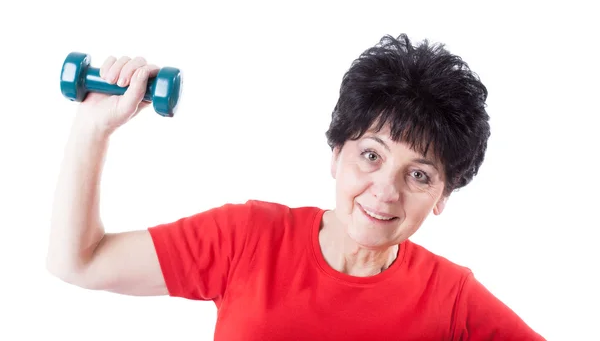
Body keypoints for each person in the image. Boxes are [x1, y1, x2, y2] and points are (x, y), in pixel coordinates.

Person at [46, 34, 546, 340]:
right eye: (370, 155)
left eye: (419, 175)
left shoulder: (451, 298)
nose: (385, 191)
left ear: (442, 197)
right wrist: (93, 127)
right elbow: (79, 262)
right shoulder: (248, 237)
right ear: (335, 155)